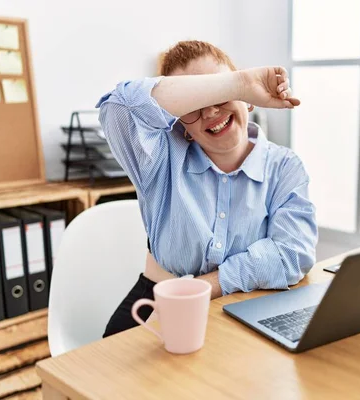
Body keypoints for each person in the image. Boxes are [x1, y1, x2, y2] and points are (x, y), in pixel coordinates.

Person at [98, 41, 318, 337]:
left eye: (223, 94)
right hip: (157, 302)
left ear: (247, 99)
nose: (211, 111)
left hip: (244, 305)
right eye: (194, 103)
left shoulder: (284, 167)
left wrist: (210, 284)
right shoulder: (160, 158)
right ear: (181, 123)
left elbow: (293, 253)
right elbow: (119, 107)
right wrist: (237, 83)